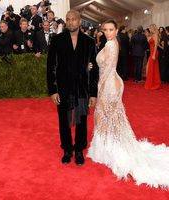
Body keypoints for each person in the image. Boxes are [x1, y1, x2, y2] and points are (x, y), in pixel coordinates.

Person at [87, 19, 169, 188]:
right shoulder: (112, 42)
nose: (108, 32)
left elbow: (108, 69)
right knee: (110, 118)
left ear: (116, 30)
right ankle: (110, 145)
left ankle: (105, 150)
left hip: (109, 84)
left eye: (111, 29)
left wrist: (99, 90)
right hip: (112, 82)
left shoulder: (110, 44)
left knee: (102, 116)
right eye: (105, 29)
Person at [47, 10, 99, 165]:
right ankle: (67, 149)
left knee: (82, 120)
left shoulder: (89, 41)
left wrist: (93, 93)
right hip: (63, 88)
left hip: (82, 89)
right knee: (64, 120)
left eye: (73, 19)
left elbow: (94, 68)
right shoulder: (57, 40)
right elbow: (51, 66)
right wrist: (53, 89)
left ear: (80, 21)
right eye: (68, 20)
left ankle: (79, 150)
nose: (70, 22)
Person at [145, 24, 161, 90]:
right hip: (152, 52)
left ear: (153, 28)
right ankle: (151, 82)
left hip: (154, 52)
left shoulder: (155, 35)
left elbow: (156, 46)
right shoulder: (152, 35)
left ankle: (153, 83)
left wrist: (154, 54)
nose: (149, 29)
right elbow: (150, 43)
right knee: (150, 67)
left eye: (150, 28)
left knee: (151, 67)